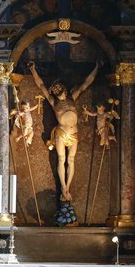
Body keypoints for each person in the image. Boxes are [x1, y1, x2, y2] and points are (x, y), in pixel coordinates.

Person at [28, 61, 100, 201]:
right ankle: (63, 187)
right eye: (56, 90)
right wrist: (33, 70)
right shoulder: (54, 102)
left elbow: (86, 83)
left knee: (71, 159)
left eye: (60, 88)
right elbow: (41, 85)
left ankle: (68, 186)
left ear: (65, 90)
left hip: (74, 133)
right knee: (61, 159)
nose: (58, 91)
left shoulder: (73, 98)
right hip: (61, 132)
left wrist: (96, 68)